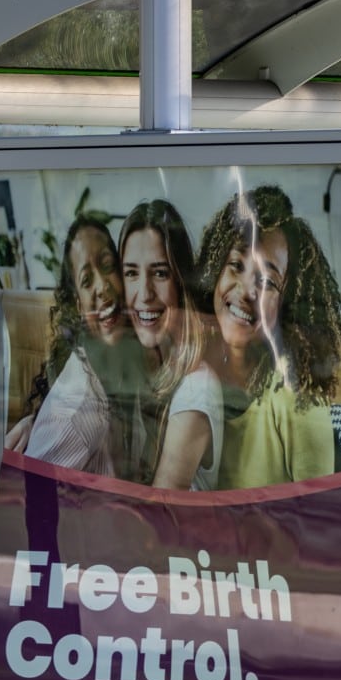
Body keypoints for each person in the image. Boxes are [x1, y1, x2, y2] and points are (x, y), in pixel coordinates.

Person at [195, 186, 341, 491]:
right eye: (236, 266)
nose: (247, 291)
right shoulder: (193, 375)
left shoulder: (295, 397)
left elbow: (320, 526)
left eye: (267, 281)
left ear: (286, 303)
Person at [10, 213, 149, 477]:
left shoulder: (127, 364)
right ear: (78, 305)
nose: (102, 286)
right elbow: (26, 512)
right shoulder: (76, 415)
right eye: (86, 280)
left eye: (108, 266)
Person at [115, 199, 226, 491]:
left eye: (160, 273)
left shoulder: (196, 389)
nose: (144, 293)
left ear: (180, 283)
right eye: (131, 273)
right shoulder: (134, 369)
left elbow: (155, 521)